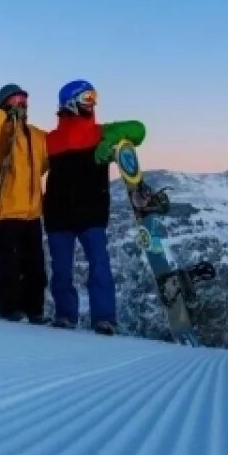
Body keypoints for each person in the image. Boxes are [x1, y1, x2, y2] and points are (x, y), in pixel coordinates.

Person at [43, 79, 146, 335]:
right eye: (87, 98)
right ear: (71, 103)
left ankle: (104, 318)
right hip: (58, 213)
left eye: (93, 97)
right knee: (61, 270)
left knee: (100, 265)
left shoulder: (101, 132)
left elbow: (139, 129)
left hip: (91, 212)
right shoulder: (51, 140)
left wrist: (106, 140)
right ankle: (65, 315)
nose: (93, 103)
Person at [0, 84, 50, 323]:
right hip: (4, 213)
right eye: (16, 100)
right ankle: (10, 311)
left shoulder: (36, 136)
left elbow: (47, 161)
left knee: (35, 266)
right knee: (10, 266)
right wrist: (1, 116)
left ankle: (35, 311)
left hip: (31, 214)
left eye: (25, 100)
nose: (22, 105)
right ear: (3, 104)